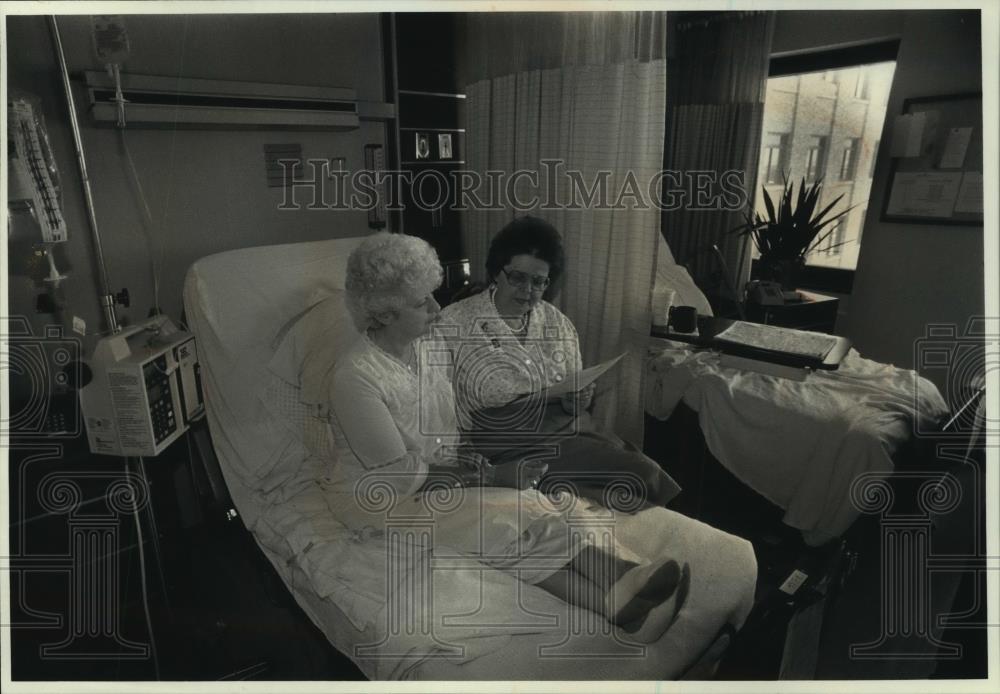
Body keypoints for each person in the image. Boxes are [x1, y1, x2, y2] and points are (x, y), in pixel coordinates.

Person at [324, 231, 689, 643]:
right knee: (502, 522)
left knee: (530, 506)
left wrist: (477, 465)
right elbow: (397, 475)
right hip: (379, 498)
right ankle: (614, 598)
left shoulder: (429, 346)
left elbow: (450, 427)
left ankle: (623, 586)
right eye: (421, 301)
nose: (435, 307)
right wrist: (486, 477)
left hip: (439, 476)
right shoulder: (354, 378)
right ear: (386, 314)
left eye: (432, 294)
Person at [438, 216, 680, 509]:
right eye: (518, 277)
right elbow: (440, 405)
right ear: (496, 272)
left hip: (565, 428)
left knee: (639, 468)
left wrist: (578, 399)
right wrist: (467, 461)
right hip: (501, 442)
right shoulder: (454, 323)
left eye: (539, 282)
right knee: (631, 479)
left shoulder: (557, 323)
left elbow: (573, 396)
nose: (528, 290)